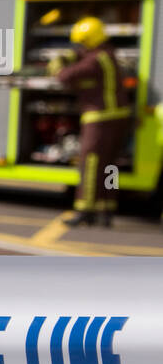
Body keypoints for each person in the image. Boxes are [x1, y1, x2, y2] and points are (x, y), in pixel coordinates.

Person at [52, 17, 133, 227]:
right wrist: (73, 54)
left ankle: (84, 209)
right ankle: (106, 210)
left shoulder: (96, 60)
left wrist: (58, 67)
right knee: (110, 168)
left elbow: (66, 76)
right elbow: (83, 59)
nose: (80, 46)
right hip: (118, 118)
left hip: (100, 120)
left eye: (82, 42)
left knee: (90, 165)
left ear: (89, 40)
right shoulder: (107, 54)